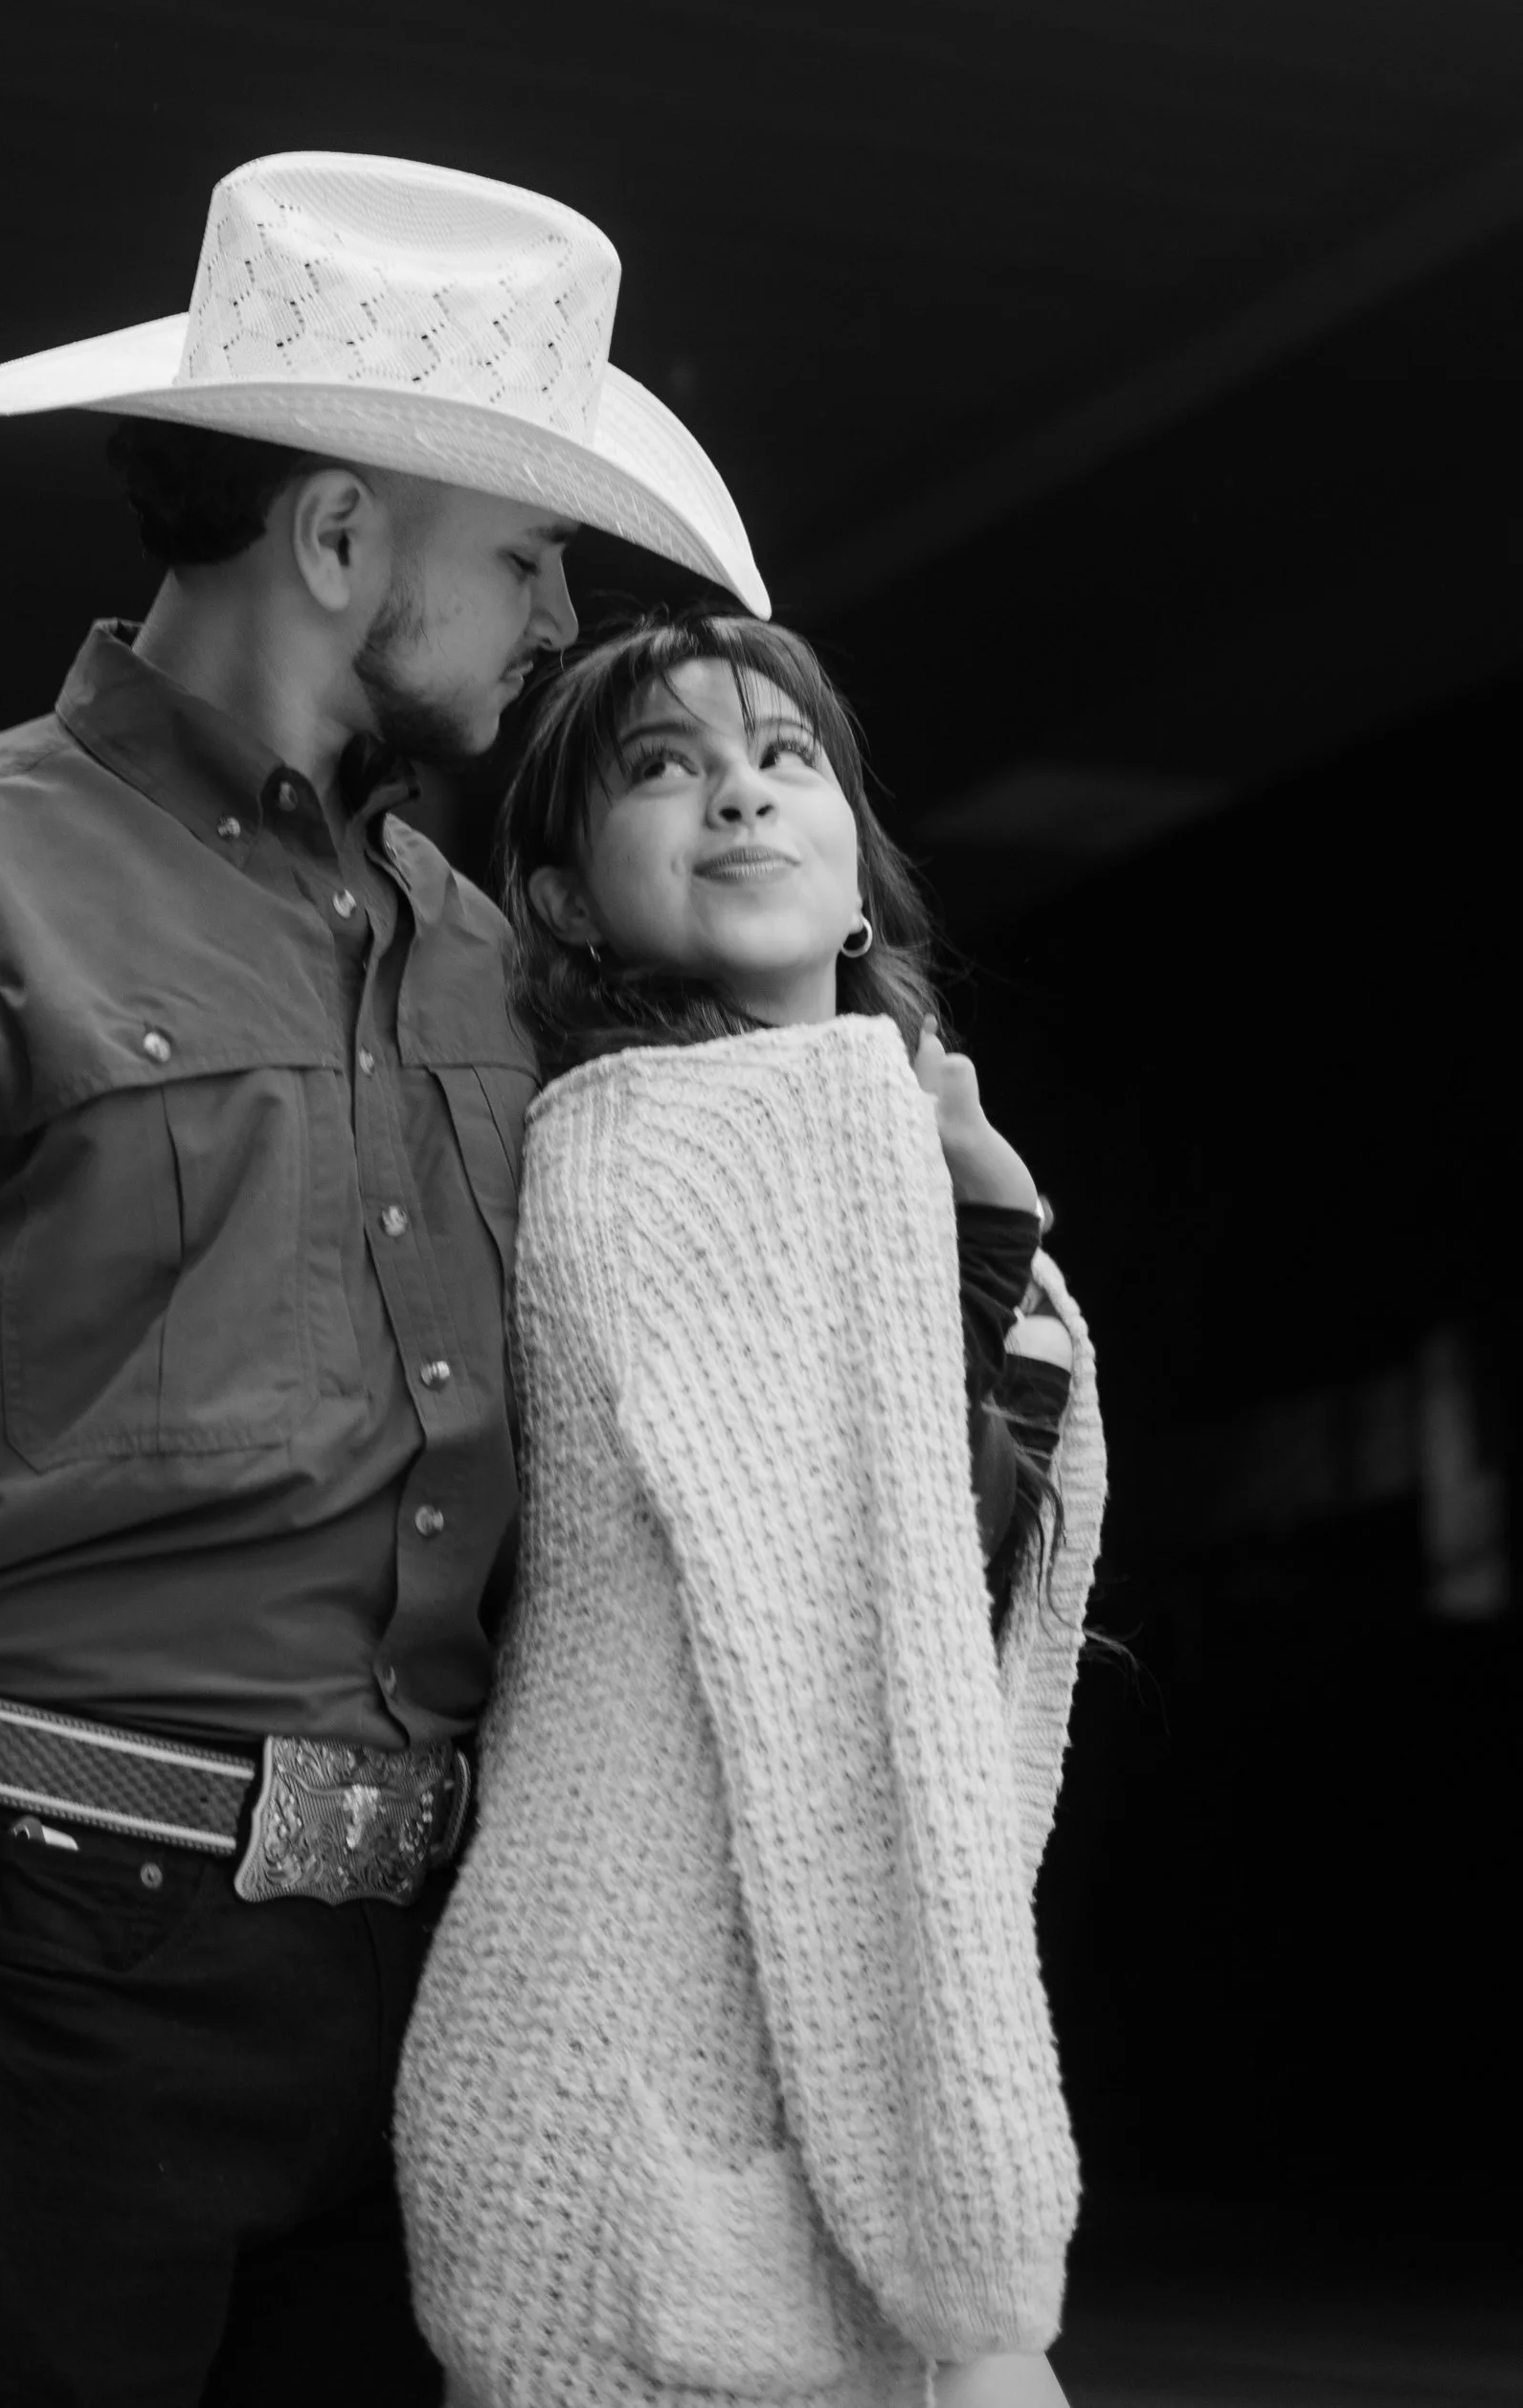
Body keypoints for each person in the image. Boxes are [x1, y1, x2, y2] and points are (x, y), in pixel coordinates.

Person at [0, 153, 769, 2406]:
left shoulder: (481, 957)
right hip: (33, 1965)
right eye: (522, 555)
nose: (550, 620)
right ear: (338, 540)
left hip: (438, 1993)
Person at [395, 608, 1107, 2408]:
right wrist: (983, 2260)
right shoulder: (656, 1147)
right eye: (664, 765)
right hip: (638, 2088)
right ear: (560, 901)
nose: (739, 792)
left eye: (786, 756)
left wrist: (982, 1215)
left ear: (855, 862)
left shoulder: (889, 1149)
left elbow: (961, 1588)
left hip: (792, 2098)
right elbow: (848, 1695)